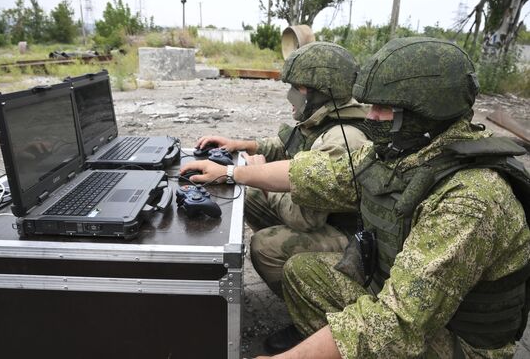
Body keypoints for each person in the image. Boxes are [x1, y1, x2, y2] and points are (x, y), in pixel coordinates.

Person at [182, 37, 530, 358]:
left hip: (457, 343)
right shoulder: (407, 151)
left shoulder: (471, 199)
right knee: (303, 272)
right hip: (406, 297)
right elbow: (310, 173)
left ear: (426, 111)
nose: (371, 116)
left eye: (383, 109)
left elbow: (397, 323)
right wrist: (231, 173)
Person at [195, 42, 368, 301]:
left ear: (321, 91)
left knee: (265, 246)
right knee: (250, 194)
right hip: (322, 215)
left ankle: (310, 312)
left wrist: (259, 176)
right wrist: (242, 145)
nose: (291, 96)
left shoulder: (343, 138)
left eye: (298, 88)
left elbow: (304, 218)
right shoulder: (329, 116)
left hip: (348, 235)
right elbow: (291, 144)